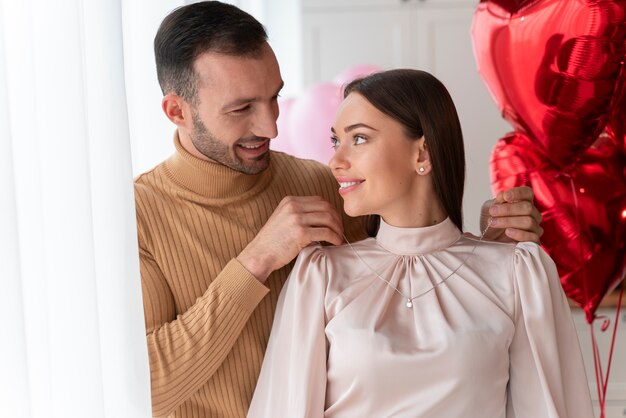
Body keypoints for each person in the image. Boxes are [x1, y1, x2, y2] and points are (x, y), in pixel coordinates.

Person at [135, 2, 544, 417]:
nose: (270, 127)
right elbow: (142, 389)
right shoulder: (137, 217)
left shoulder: (317, 184)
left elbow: (405, 291)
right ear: (177, 111)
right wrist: (256, 261)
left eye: (274, 98)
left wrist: (483, 250)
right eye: (242, 109)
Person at [247, 69, 593, 417]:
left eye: (360, 139)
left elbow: (545, 409)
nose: (336, 161)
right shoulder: (320, 275)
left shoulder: (517, 272)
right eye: (337, 141)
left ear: (423, 154)